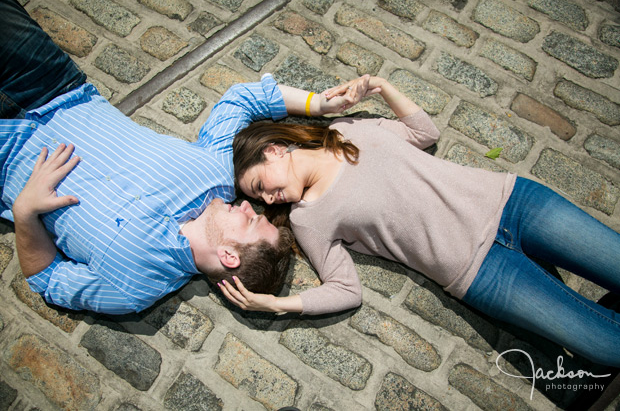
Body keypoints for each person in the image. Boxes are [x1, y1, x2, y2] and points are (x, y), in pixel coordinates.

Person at [221, 74, 620, 367]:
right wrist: (276, 304)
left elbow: (424, 132)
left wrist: (379, 85)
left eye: (261, 185)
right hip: (482, 274)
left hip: (514, 204)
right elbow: (345, 290)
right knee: (607, 347)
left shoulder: (346, 130)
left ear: (274, 150)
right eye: (260, 199)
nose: (268, 198)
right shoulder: (309, 219)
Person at [0, 0, 351, 314]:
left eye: (250, 220)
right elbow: (241, 100)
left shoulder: (134, 287)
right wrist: (317, 103)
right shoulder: (217, 173)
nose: (249, 206)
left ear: (228, 256)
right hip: (50, 82)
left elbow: (48, 281)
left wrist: (25, 214)